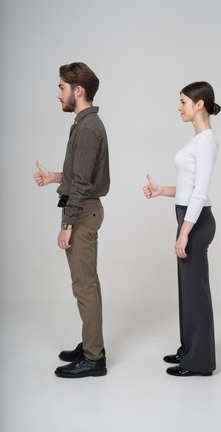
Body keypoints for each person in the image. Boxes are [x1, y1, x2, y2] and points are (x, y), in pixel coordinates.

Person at [33, 62, 110, 378]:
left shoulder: (88, 128)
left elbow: (81, 184)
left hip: (82, 213)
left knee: (84, 287)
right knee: (87, 284)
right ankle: (92, 345)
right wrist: (54, 177)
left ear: (78, 91)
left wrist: (66, 224)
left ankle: (94, 359)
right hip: (85, 209)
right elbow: (81, 175)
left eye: (62, 87)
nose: (58, 94)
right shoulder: (84, 124)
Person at [143, 81, 221, 377]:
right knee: (187, 292)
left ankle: (199, 362)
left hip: (196, 221)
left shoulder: (206, 141)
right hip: (189, 216)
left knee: (196, 293)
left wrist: (185, 233)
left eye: (183, 102)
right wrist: (161, 189)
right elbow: (188, 187)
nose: (179, 107)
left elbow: (200, 192)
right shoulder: (198, 139)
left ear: (199, 104)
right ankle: (188, 350)